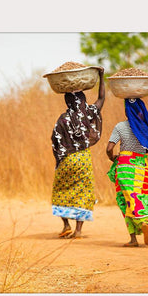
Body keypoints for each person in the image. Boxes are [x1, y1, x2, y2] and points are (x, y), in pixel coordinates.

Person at [51, 68, 106, 239]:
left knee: (61, 190)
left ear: (67, 101)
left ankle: (66, 225)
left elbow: (55, 139)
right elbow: (102, 97)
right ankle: (79, 230)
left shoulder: (62, 119)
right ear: (83, 99)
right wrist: (101, 76)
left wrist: (59, 160)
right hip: (82, 159)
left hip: (67, 159)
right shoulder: (89, 113)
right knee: (82, 192)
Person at [106, 97, 148, 247]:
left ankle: (133, 238)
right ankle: (146, 223)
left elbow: (109, 148)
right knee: (142, 195)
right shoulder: (144, 127)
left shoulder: (120, 127)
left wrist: (113, 159)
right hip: (141, 166)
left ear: (126, 111)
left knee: (125, 199)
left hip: (125, 166)